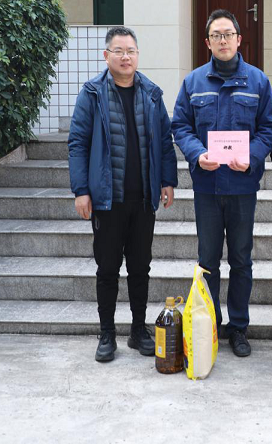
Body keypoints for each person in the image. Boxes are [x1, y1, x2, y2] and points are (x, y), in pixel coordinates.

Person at [171, 9, 272, 357]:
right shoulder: (193, 83)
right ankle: (212, 326)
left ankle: (239, 327)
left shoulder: (258, 82)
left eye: (228, 34)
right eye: (216, 35)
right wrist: (197, 153)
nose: (223, 40)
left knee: (242, 260)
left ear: (238, 39)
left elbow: (269, 128)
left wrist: (253, 156)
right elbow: (180, 126)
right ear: (207, 42)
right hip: (207, 186)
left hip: (242, 187)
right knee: (208, 260)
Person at [68, 26, 177, 363]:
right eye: (118, 51)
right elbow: (77, 143)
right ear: (106, 56)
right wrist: (81, 190)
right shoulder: (93, 94)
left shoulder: (152, 94)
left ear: (137, 55)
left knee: (140, 268)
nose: (125, 57)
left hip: (142, 199)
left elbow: (164, 142)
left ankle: (138, 330)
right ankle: (107, 333)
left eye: (131, 51)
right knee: (108, 269)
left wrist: (167, 180)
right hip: (107, 200)